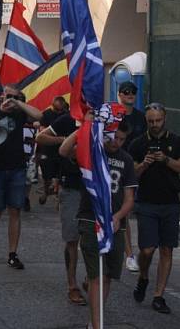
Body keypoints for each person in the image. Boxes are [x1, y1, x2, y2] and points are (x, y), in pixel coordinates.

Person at [61, 116, 136, 329]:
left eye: (121, 139)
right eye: (114, 137)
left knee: (107, 276)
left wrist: (117, 216)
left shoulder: (127, 160)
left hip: (114, 223)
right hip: (90, 218)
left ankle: (95, 318)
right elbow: (64, 151)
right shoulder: (93, 152)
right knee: (96, 275)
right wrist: (84, 128)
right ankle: (96, 325)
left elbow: (130, 199)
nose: (116, 143)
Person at [129, 103, 180, 314]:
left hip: (170, 202)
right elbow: (132, 174)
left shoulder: (176, 141)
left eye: (158, 120)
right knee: (147, 249)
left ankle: (159, 295)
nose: (155, 124)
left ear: (165, 118)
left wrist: (166, 160)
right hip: (146, 202)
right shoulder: (138, 143)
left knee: (166, 249)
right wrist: (144, 164)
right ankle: (143, 276)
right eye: (150, 121)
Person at [0, 86, 42, 269]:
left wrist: (19, 104)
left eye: (15, 97)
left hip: (17, 168)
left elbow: (39, 116)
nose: (11, 100)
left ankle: (12, 254)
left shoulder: (20, 114)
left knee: (15, 210)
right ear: (2, 96)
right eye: (9, 96)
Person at [35, 112, 86, 305]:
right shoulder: (67, 119)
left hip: (95, 188)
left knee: (96, 239)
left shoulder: (104, 119)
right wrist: (64, 139)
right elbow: (40, 137)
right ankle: (72, 285)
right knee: (72, 238)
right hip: (72, 186)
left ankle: (92, 279)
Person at [117, 80, 148, 272]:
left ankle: (134, 252)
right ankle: (128, 254)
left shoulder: (141, 118)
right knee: (123, 212)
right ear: (119, 94)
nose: (130, 95)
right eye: (126, 92)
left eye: (133, 92)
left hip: (136, 169)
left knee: (130, 211)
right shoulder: (113, 114)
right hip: (116, 167)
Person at [35, 96, 69, 206]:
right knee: (47, 175)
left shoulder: (65, 115)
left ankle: (57, 196)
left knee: (60, 174)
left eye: (61, 109)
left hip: (62, 149)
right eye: (57, 109)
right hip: (48, 148)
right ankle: (46, 191)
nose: (59, 112)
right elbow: (42, 131)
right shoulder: (46, 114)